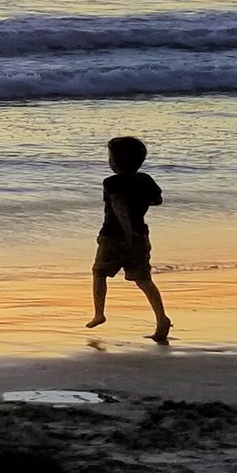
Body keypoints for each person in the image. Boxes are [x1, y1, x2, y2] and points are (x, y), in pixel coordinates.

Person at [86, 136, 171, 342]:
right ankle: (161, 317)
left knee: (99, 272)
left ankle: (99, 313)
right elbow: (157, 200)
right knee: (143, 279)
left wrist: (126, 231)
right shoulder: (145, 179)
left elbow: (118, 207)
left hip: (113, 235)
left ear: (115, 161)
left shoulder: (112, 182)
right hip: (141, 234)